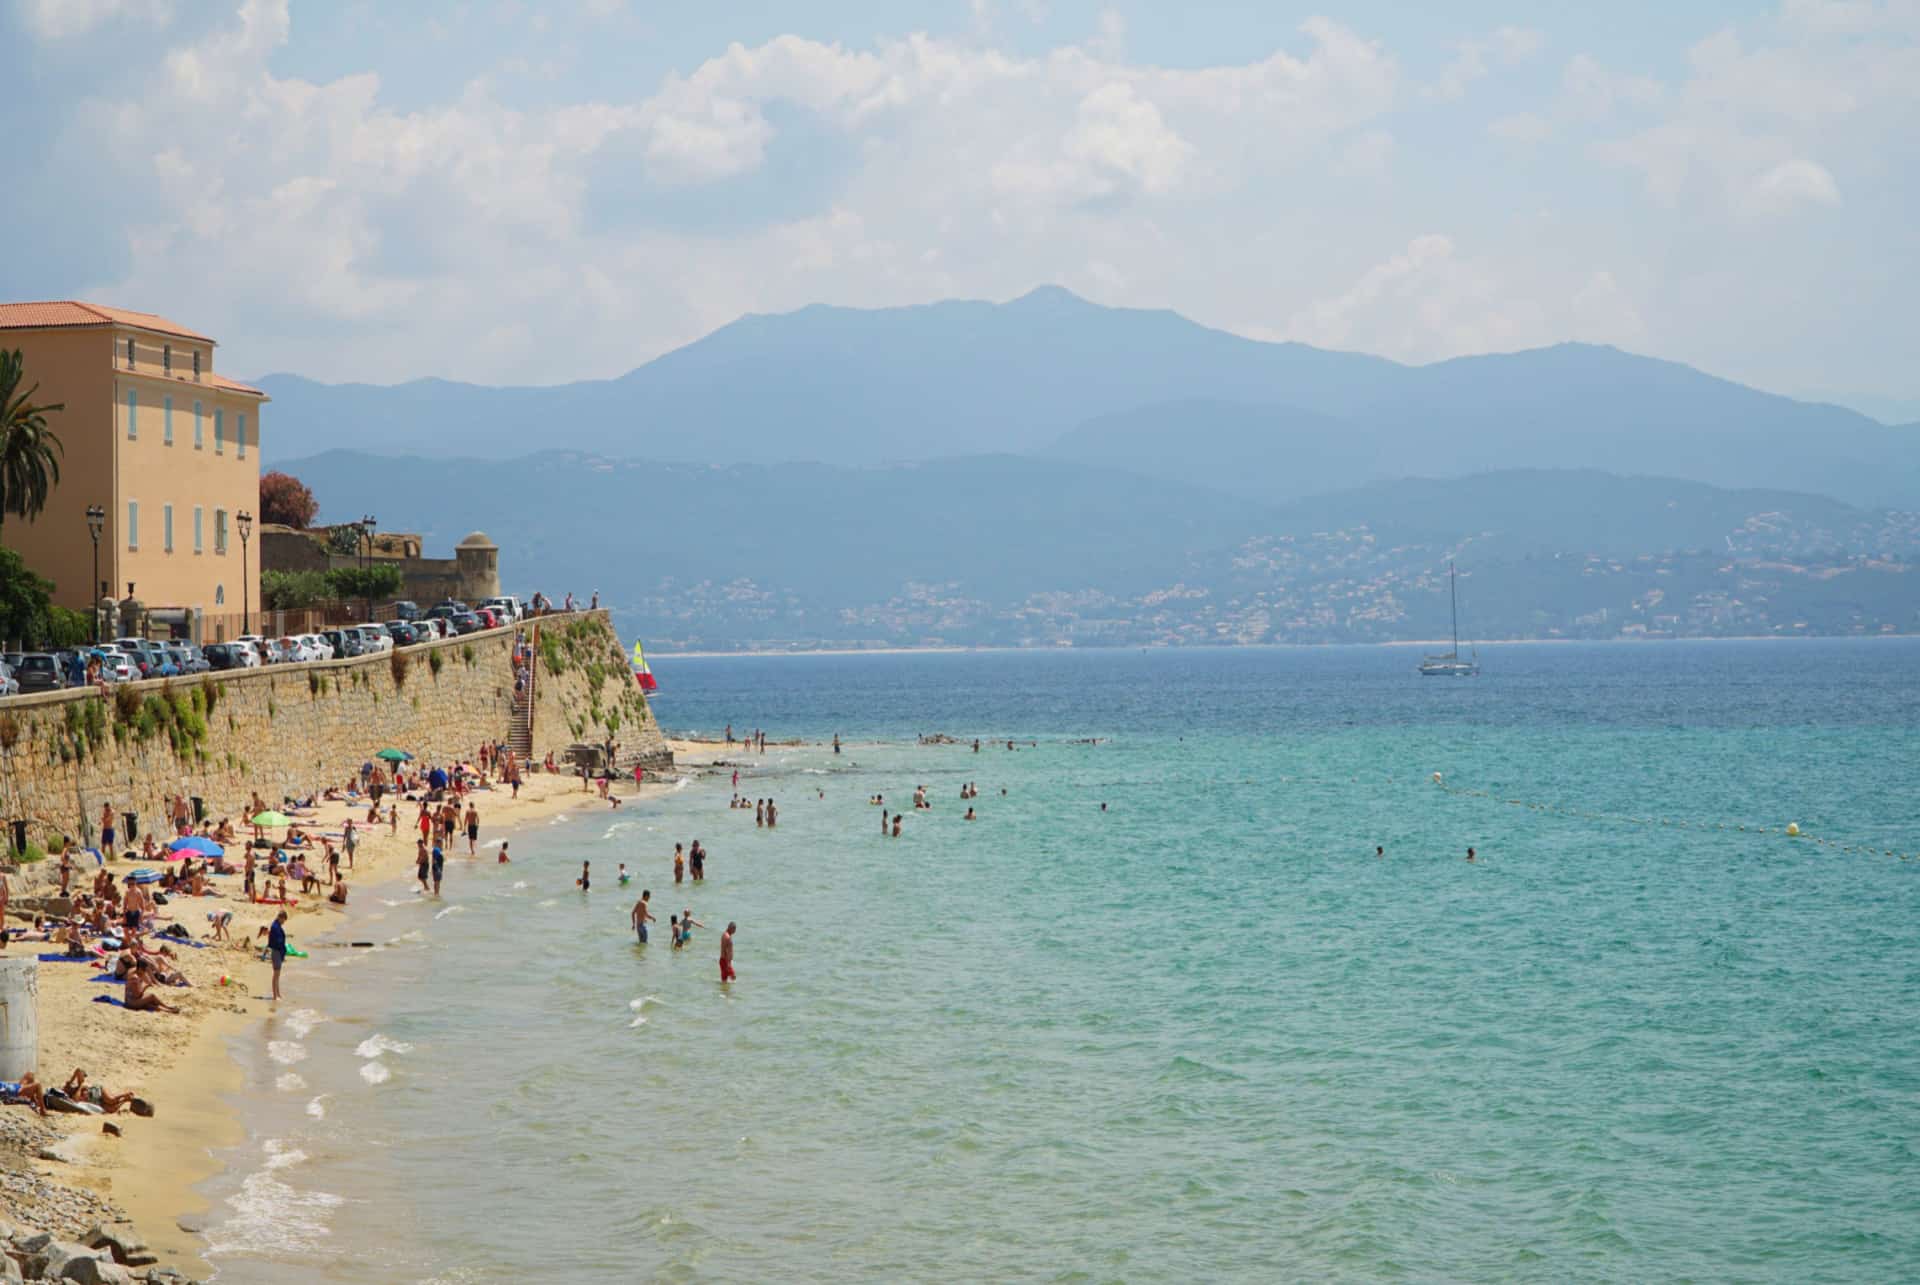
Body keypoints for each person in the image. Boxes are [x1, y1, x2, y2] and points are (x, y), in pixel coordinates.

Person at [62, 1068, 137, 1115]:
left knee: (111, 1100)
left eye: (66, 1087)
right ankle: (126, 1099)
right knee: (112, 1109)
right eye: (66, 1089)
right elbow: (76, 1099)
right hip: (96, 1102)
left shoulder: (76, 1086)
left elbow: (78, 1070)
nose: (66, 1087)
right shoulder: (73, 1095)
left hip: (97, 1091)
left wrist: (71, 1080)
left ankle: (125, 1094)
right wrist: (81, 1085)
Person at [263, 911, 289, 1002]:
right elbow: (276, 941)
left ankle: (278, 993)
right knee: (276, 974)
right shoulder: (275, 926)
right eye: (283, 920)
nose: (283, 922)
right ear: (280, 918)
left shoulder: (276, 925)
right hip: (276, 952)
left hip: (278, 952)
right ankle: (275, 995)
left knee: (277, 975)